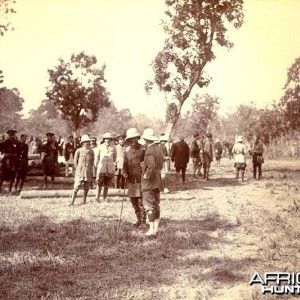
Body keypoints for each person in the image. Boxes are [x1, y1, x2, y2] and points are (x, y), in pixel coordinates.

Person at [139, 128, 164, 236]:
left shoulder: (149, 150)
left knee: (149, 205)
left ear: (146, 140)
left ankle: (152, 229)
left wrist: (146, 175)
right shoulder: (158, 149)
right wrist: (144, 165)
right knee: (156, 204)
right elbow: (158, 165)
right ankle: (156, 228)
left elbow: (152, 165)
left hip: (149, 182)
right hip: (157, 180)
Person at [123, 128, 146, 227]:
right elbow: (125, 165)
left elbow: (149, 162)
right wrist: (124, 173)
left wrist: (145, 164)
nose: (133, 141)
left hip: (141, 179)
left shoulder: (143, 149)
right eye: (131, 139)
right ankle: (138, 219)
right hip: (131, 180)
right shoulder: (127, 151)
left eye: (135, 138)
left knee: (141, 201)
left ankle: (144, 221)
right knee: (133, 201)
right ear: (128, 141)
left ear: (138, 138)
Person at [69, 135, 94, 206]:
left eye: (88, 142)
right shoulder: (78, 150)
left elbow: (92, 162)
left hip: (88, 171)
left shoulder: (91, 151)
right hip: (80, 171)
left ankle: (84, 201)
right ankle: (72, 202)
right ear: (82, 143)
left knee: (86, 187)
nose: (87, 143)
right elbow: (75, 161)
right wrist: (77, 169)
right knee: (76, 187)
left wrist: (89, 169)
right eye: (85, 142)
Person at [95, 132, 116, 202]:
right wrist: (96, 166)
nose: (108, 140)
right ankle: (97, 198)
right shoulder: (100, 147)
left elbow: (114, 158)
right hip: (101, 168)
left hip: (109, 169)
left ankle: (104, 197)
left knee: (107, 184)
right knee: (99, 184)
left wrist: (112, 166)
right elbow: (97, 157)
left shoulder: (113, 148)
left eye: (109, 139)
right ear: (104, 139)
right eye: (106, 139)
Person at [0, 129, 19, 194]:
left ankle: (10, 189)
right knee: (2, 175)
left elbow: (19, 151)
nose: (11, 136)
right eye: (10, 135)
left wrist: (16, 154)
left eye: (13, 135)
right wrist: (4, 153)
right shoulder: (5, 142)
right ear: (8, 135)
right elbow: (1, 149)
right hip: (6, 159)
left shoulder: (16, 142)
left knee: (13, 175)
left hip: (14, 159)